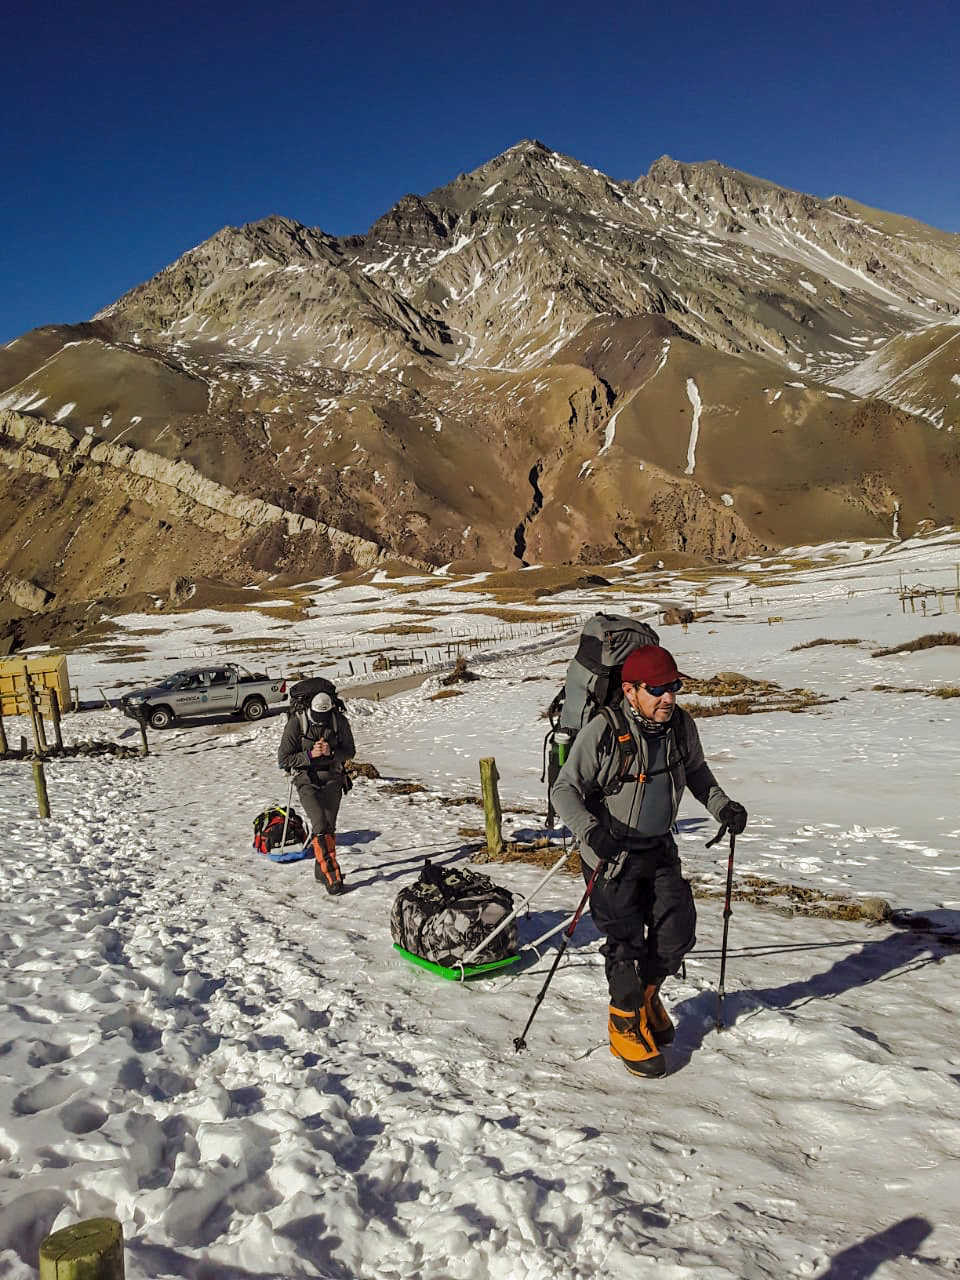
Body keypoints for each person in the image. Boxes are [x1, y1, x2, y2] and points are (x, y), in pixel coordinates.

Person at [551, 644, 747, 1079]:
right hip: (611, 855)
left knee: (676, 932)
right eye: (657, 689)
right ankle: (624, 1021)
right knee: (625, 943)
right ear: (630, 690)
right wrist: (591, 833)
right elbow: (563, 790)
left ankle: (647, 997)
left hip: (659, 846)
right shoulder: (604, 729)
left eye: (673, 687)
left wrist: (722, 806)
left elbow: (696, 772)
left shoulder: (679, 726)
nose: (669, 698)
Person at [278, 692, 356, 895]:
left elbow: (350, 751)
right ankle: (333, 876)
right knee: (320, 822)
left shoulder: (338, 721)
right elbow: (284, 758)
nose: (321, 721)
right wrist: (310, 755)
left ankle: (321, 869)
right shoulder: (297, 724)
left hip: (333, 777)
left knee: (329, 825)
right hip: (306, 779)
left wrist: (331, 752)